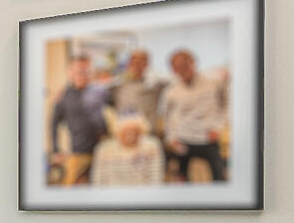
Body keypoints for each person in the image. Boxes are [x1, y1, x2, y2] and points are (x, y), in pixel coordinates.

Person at [160, 48, 229, 182]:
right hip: (182, 139)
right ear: (173, 69)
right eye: (177, 66)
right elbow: (167, 117)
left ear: (193, 62)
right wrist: (171, 137)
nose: (182, 69)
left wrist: (218, 126)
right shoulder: (171, 91)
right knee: (183, 179)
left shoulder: (214, 82)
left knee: (219, 177)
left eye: (185, 64)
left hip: (208, 137)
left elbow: (226, 104)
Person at [49, 55, 108, 184]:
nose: (83, 73)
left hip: (103, 150)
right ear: (70, 72)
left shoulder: (101, 91)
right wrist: (56, 150)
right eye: (79, 70)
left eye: (86, 70)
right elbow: (54, 124)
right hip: (78, 152)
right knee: (70, 185)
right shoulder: (63, 95)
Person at [91, 116, 165, 186]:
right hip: (111, 194)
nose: (130, 135)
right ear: (117, 133)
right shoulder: (104, 149)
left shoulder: (151, 146)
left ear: (141, 132)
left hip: (143, 194)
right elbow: (98, 179)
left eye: (134, 131)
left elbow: (156, 177)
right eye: (126, 131)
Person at [108, 49, 163, 130]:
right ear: (129, 64)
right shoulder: (118, 84)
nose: (137, 66)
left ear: (146, 64)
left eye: (141, 63)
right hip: (123, 132)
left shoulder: (155, 83)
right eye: (134, 62)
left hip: (146, 131)